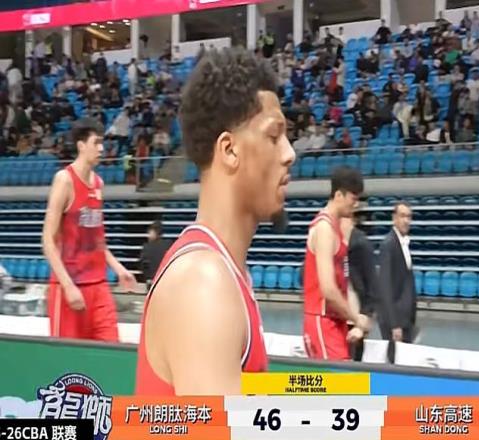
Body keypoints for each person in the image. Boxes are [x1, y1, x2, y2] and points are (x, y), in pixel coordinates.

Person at [135, 48, 295, 396]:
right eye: (274, 136)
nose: (289, 153)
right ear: (229, 150)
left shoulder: (224, 271)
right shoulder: (203, 282)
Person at [42, 118, 137, 341]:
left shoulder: (98, 183)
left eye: (102, 143)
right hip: (69, 286)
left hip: (98, 285)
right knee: (68, 359)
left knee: (110, 350)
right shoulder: (64, 180)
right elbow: (47, 240)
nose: (102, 148)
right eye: (96, 143)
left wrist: (119, 268)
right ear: (81, 145)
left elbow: (96, 239)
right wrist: (68, 285)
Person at [303, 166, 370, 361]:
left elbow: (342, 280)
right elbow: (329, 290)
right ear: (339, 195)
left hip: (335, 320)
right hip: (323, 320)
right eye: (353, 199)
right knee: (337, 379)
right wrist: (356, 318)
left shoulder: (336, 227)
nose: (356, 205)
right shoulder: (324, 228)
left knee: (342, 378)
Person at [340, 212, 378, 361]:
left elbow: (372, 288)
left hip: (353, 323)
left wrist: (361, 326)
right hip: (334, 320)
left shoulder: (362, 244)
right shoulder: (330, 243)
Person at [377, 202, 417, 344]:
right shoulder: (388, 245)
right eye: (402, 216)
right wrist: (394, 324)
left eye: (409, 217)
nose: (406, 220)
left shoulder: (403, 243)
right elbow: (385, 287)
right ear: (394, 218)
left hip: (405, 320)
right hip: (394, 322)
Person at [139, 221, 172, 291]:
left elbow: (142, 265)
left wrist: (147, 278)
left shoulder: (147, 247)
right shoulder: (168, 245)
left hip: (152, 281)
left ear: (154, 232)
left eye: (149, 233)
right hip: (165, 280)